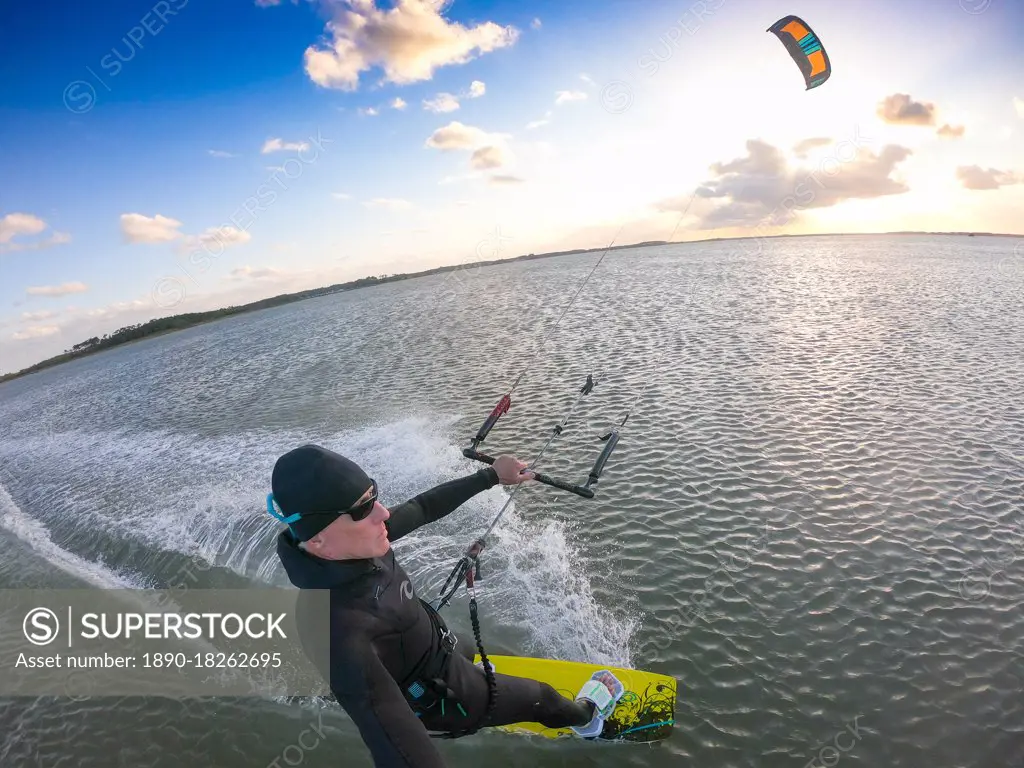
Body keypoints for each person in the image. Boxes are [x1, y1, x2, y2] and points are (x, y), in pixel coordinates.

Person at [267, 443, 624, 767]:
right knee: (543, 697)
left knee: (464, 646)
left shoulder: (356, 539)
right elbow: (399, 751)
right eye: (363, 509)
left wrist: (492, 475)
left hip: (438, 644)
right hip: (446, 697)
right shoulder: (336, 632)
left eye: (374, 496)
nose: (383, 515)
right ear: (318, 538)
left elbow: (421, 508)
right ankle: (588, 718)